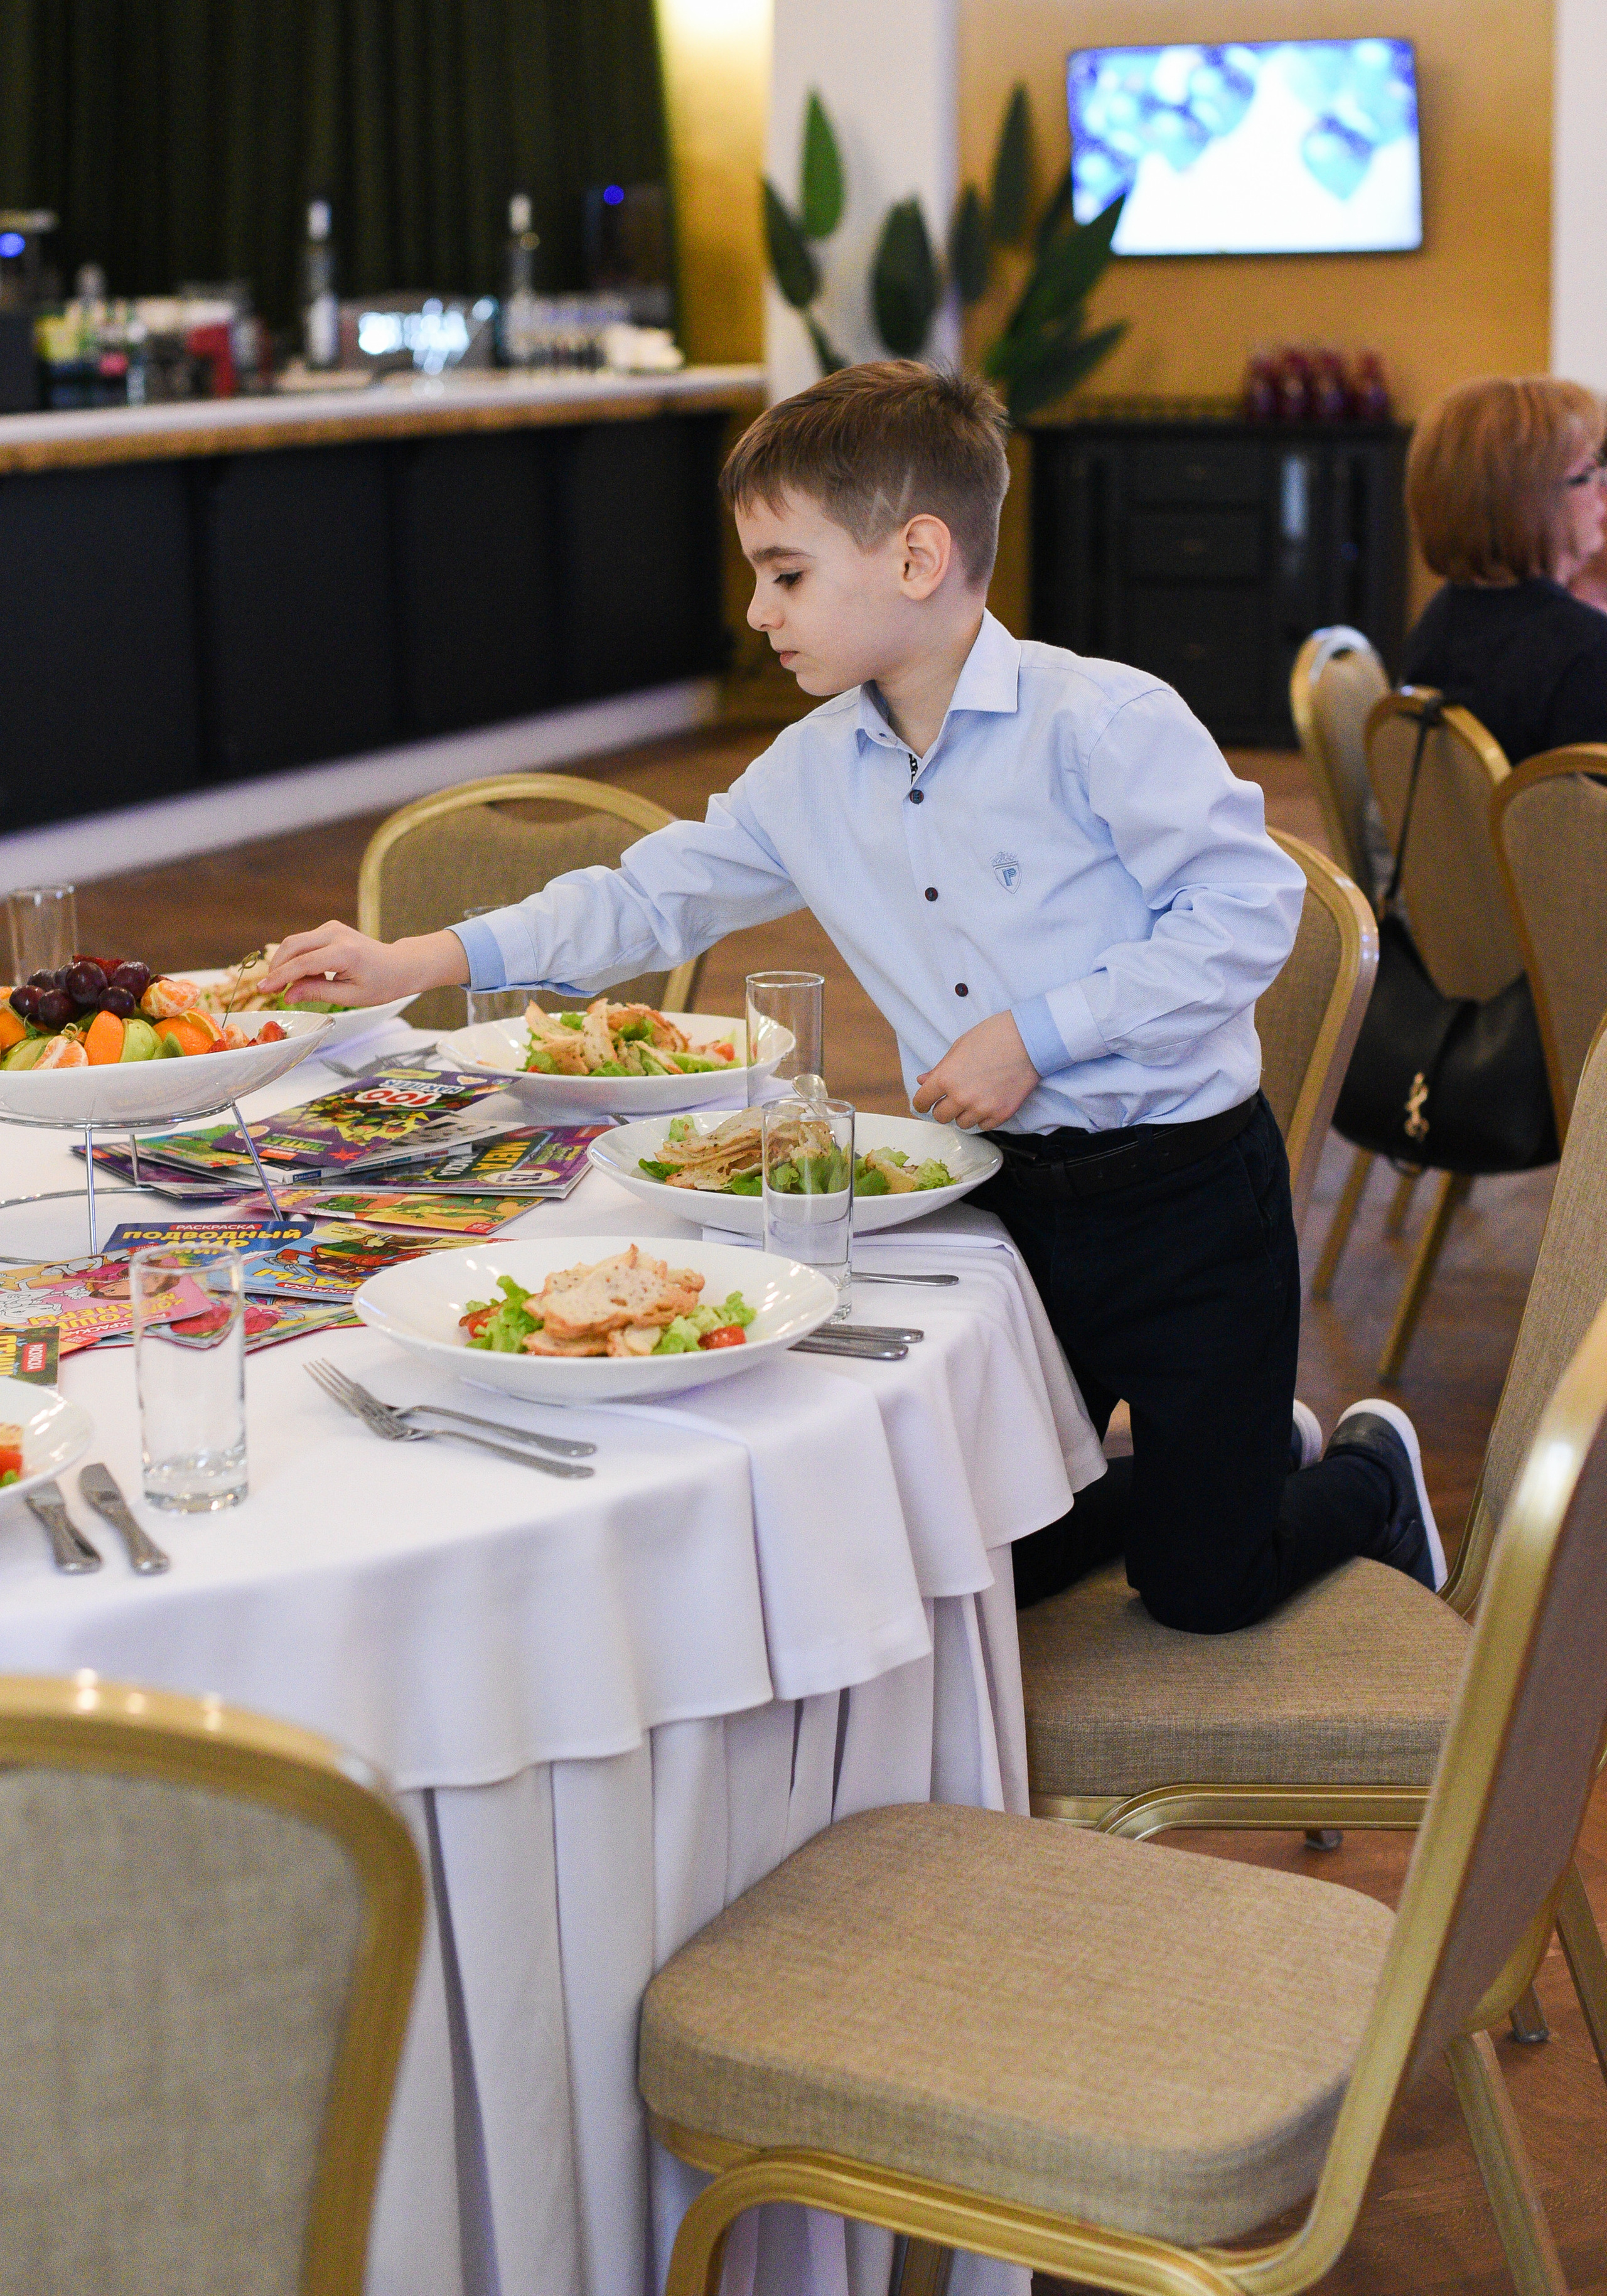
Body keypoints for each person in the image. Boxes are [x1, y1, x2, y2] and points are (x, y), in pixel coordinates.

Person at [259, 360, 1443, 1633]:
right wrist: (414, 963)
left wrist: (1031, 1036)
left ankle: (1365, 1475)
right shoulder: (806, 773)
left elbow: (1245, 911)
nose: (761, 612)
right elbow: (642, 899)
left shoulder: (1100, 723)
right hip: (1001, 1204)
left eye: (786, 572)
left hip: (1187, 1201)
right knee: (986, 1566)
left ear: (917, 556)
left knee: (1202, 1591)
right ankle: (1229, 1460)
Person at [1400, 374, 1607, 760]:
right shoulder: (1586, 652)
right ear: (1533, 502)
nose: (1603, 490)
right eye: (1588, 474)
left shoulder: (1441, 617)